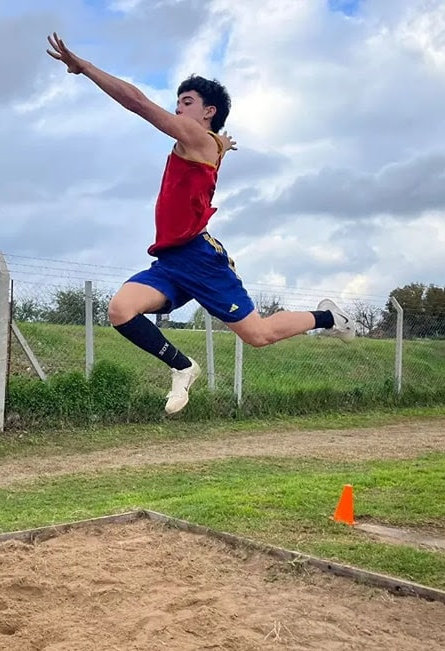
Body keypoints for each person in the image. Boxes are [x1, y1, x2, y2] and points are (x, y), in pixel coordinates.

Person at [46, 33, 355, 414]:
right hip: (171, 261)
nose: (177, 108)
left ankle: (330, 317)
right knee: (121, 310)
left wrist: (86, 68)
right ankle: (183, 367)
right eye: (176, 102)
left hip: (200, 257)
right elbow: (217, 144)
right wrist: (225, 143)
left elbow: (138, 103)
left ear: (207, 112)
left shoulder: (196, 138)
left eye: (187, 102)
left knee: (258, 335)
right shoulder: (206, 141)